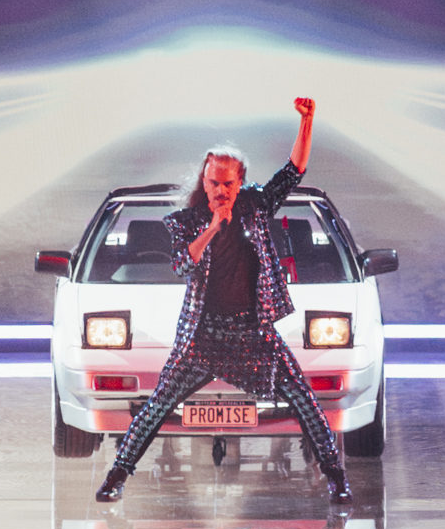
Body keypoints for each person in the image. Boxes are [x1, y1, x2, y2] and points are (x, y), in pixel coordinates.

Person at [95, 99, 347, 507]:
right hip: (202, 335)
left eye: (228, 184)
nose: (220, 191)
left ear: (240, 182)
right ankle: (116, 477)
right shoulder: (186, 221)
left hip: (254, 332)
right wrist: (212, 228)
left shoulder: (256, 206)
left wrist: (307, 121)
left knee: (303, 397)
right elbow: (182, 264)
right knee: (158, 406)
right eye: (214, 183)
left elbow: (293, 172)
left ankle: (337, 479)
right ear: (205, 180)